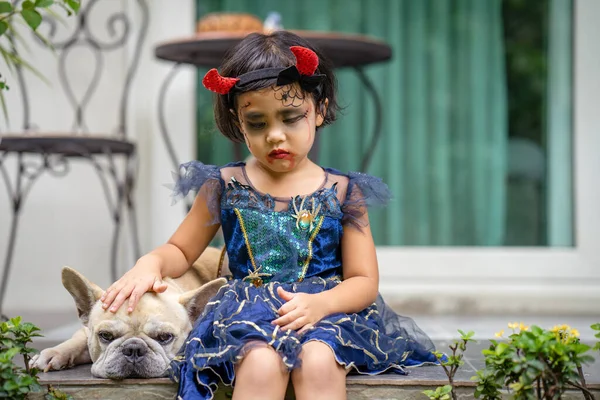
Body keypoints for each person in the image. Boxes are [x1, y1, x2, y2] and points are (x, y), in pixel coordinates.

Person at [100, 30, 440, 400]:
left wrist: (322, 304)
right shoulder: (225, 186)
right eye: (258, 123)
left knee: (318, 361)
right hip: (248, 313)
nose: (275, 136)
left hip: (326, 313)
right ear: (238, 122)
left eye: (291, 117)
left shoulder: (342, 192)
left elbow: (363, 280)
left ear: (320, 109)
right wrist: (149, 263)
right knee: (261, 363)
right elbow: (181, 251)